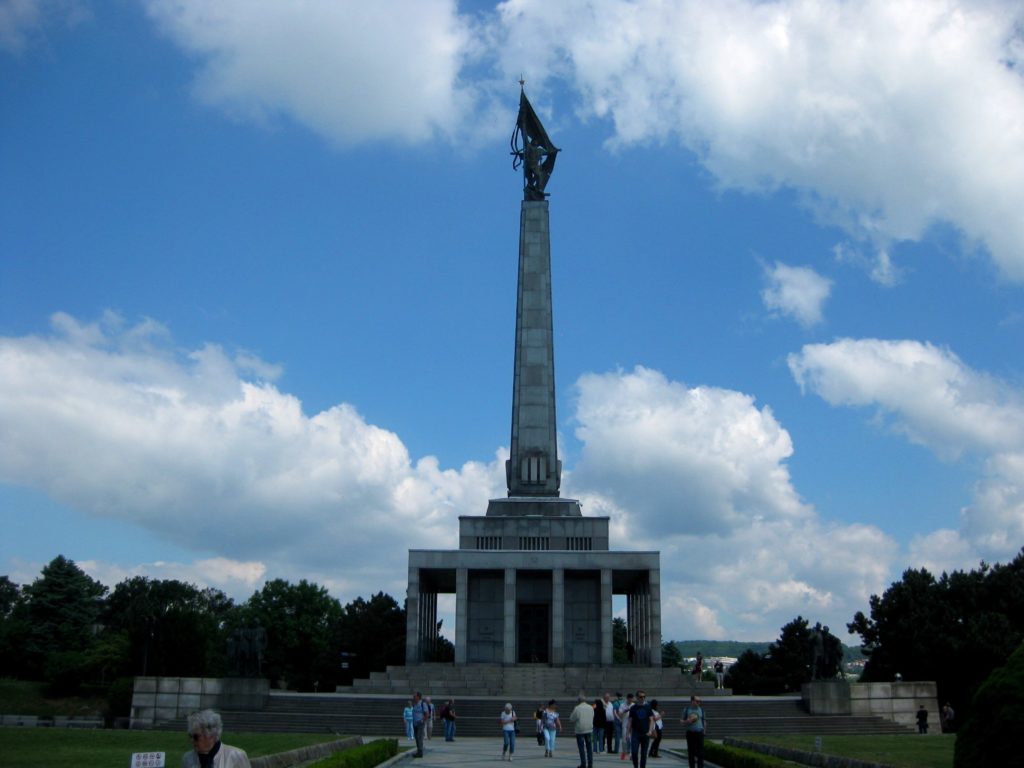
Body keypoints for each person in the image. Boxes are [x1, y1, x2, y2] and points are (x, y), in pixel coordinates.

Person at [183, 710, 251, 768]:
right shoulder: (188, 758)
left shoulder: (236, 756)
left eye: (196, 737)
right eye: (190, 736)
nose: (192, 740)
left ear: (211, 736)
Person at [623, 690, 654, 768]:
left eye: (644, 696)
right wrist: (627, 733)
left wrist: (650, 730)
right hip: (635, 734)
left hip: (645, 733)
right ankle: (636, 766)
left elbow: (651, 720)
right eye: (641, 697)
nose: (642, 698)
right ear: (637, 697)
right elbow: (630, 721)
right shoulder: (633, 708)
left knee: (644, 754)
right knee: (634, 752)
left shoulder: (648, 707)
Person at [570, 694, 595, 768]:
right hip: (589, 730)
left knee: (581, 748)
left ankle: (583, 764)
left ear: (578, 701)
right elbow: (593, 716)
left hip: (580, 730)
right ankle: (590, 764)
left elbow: (572, 718)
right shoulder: (591, 707)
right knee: (589, 747)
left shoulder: (577, 708)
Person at [681, 695, 706, 768]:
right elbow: (681, 721)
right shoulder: (687, 709)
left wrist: (704, 731)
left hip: (699, 732)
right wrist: (687, 721)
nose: (699, 703)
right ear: (692, 701)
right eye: (697, 701)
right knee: (691, 752)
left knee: (700, 752)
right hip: (690, 733)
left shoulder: (701, 710)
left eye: (700, 701)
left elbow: (704, 721)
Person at [411, 691, 429, 758]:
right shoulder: (415, 704)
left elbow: (427, 714)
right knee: (416, 738)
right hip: (415, 723)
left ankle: (420, 752)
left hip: (420, 723)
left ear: (418, 697)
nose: (413, 697)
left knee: (419, 737)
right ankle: (419, 751)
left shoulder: (423, 704)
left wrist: (422, 721)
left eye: (414, 696)